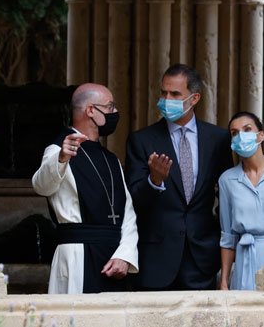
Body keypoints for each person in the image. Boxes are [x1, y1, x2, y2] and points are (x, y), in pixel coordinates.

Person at [126, 64, 233, 290]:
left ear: (194, 99)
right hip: (155, 259)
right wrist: (154, 180)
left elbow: (226, 194)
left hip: (201, 258)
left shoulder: (218, 139)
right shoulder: (142, 140)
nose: (167, 99)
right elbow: (132, 199)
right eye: (163, 93)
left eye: (175, 94)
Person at [32, 83, 138, 294]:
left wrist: (124, 256)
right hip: (76, 256)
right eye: (110, 107)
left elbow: (128, 214)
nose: (115, 113)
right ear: (91, 110)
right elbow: (41, 186)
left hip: (113, 259)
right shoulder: (58, 150)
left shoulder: (111, 159)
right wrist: (62, 158)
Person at [219, 111, 264, 291]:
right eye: (234, 133)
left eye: (247, 129)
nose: (240, 136)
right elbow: (228, 237)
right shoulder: (227, 180)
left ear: (261, 135)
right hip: (244, 260)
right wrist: (224, 282)